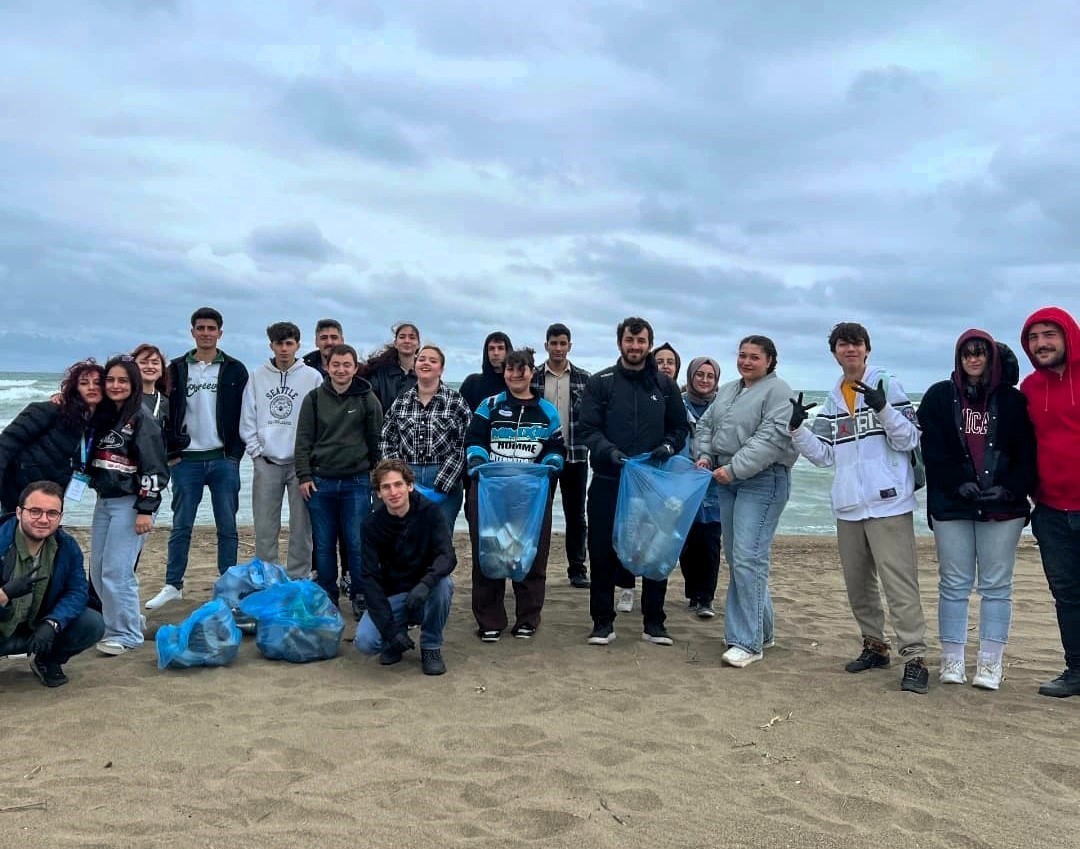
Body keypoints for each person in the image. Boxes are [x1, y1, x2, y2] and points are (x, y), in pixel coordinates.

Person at [788, 322, 930, 693]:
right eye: (842, 344)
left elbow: (910, 438)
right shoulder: (834, 397)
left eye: (856, 343)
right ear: (834, 352)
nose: (849, 350)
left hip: (889, 502)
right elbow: (822, 456)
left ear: (867, 349)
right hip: (849, 506)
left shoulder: (888, 384)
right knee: (858, 586)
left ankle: (915, 657)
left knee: (900, 584)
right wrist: (796, 430)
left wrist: (883, 408)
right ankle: (875, 646)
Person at [917, 331, 1035, 690]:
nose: (973, 359)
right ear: (958, 358)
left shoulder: (1012, 400)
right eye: (967, 353)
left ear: (991, 357)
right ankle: (952, 659)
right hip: (953, 506)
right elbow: (931, 449)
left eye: (980, 353)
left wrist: (1011, 488)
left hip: (1003, 507)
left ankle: (990, 664)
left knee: (996, 585)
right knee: (954, 583)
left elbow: (1027, 454)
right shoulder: (939, 396)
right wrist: (957, 482)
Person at [577, 317, 689, 647]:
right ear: (620, 343)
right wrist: (608, 452)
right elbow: (587, 429)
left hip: (653, 483)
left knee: (655, 550)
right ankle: (602, 622)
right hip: (609, 479)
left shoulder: (665, 386)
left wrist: (668, 447)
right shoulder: (601, 382)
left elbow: (680, 428)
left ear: (649, 344)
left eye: (641, 341)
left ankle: (654, 623)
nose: (635, 346)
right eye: (630, 340)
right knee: (600, 552)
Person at [694, 337, 797, 667]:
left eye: (755, 357)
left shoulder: (779, 391)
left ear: (770, 361)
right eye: (742, 355)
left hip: (763, 480)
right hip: (726, 479)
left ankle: (747, 642)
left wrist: (735, 469)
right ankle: (762, 630)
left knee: (748, 557)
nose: (747, 361)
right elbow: (706, 425)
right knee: (739, 557)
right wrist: (705, 456)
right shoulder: (728, 390)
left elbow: (770, 439)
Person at [146, 307, 249, 610]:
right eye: (200, 328)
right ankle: (172, 585)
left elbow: (248, 411)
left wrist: (236, 453)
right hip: (186, 461)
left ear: (220, 332)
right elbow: (159, 409)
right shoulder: (175, 369)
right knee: (181, 525)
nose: (206, 333)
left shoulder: (235, 369)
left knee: (227, 526)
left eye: (211, 328)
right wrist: (170, 453)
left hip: (223, 459)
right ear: (192, 331)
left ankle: (227, 583)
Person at [465, 348, 565, 641]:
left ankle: (528, 619)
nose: (515, 375)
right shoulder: (489, 405)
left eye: (521, 369)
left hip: (530, 497)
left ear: (532, 372)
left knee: (532, 555)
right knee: (489, 552)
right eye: (510, 369)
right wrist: (477, 462)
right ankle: (490, 620)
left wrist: (551, 465)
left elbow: (556, 447)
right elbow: (474, 438)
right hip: (490, 493)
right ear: (504, 372)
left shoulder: (547, 410)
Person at [88, 357, 169, 655]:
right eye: (110, 380)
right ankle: (123, 623)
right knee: (97, 570)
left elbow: (156, 466)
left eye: (123, 380)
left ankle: (127, 634)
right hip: (104, 501)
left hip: (131, 503)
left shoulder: (142, 418)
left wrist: (146, 508)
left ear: (134, 383)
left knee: (117, 570)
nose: (115, 386)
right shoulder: (105, 416)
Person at [1020, 306, 1080, 698]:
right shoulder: (1028, 388)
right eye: (1034, 337)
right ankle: (1076, 670)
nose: (1041, 343)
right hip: (1052, 511)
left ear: (1068, 336)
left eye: (1049, 334)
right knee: (1067, 595)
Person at [295, 344, 383, 607]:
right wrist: (304, 476)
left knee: (356, 542)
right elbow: (303, 441)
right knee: (323, 544)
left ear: (355, 368)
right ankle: (327, 596)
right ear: (326, 367)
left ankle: (359, 594)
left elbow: (377, 442)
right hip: (320, 482)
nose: (341, 370)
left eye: (347, 365)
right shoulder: (313, 399)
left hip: (356, 482)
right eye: (336, 365)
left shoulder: (368, 399)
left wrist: (375, 478)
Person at [354, 459, 456, 676]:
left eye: (398, 484)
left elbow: (447, 556)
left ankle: (431, 647)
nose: (393, 492)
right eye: (386, 487)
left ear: (410, 485)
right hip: (393, 594)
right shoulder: (371, 526)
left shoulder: (431, 513)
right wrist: (390, 632)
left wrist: (426, 584)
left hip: (424, 589)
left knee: (444, 584)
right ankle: (396, 638)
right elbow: (369, 578)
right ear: (379, 493)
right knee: (365, 642)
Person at [239, 322, 323, 578]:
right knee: (265, 526)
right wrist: (255, 452)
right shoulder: (257, 376)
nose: (284, 349)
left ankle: (299, 577)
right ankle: (268, 577)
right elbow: (248, 417)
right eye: (279, 343)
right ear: (271, 345)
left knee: (301, 527)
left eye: (289, 343)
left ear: (298, 345)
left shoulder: (313, 377)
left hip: (301, 464)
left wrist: (310, 459)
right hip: (267, 461)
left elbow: (320, 419)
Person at [0, 481, 105, 687]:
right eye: (35, 511)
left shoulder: (66, 546)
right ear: (19, 512)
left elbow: (77, 592)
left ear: (60, 517)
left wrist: (53, 622)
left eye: (51, 513)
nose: (43, 519)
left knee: (92, 623)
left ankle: (47, 661)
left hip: (35, 628)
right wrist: (4, 594)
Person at [615, 341, 683, 613]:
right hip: (630, 478)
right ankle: (627, 587)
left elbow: (680, 431)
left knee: (660, 536)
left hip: (664, 480)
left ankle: (654, 610)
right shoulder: (627, 386)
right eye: (661, 360)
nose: (666, 365)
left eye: (671, 361)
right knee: (631, 532)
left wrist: (668, 446)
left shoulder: (671, 392)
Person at [379, 344, 472, 533]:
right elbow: (386, 440)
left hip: (445, 478)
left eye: (433, 360)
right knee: (406, 540)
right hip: (407, 477)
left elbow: (464, 444)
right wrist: (400, 479)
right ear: (415, 365)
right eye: (422, 359)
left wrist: (442, 486)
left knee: (440, 540)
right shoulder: (402, 402)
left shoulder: (456, 402)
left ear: (441, 369)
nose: (426, 363)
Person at [530, 323, 592, 588]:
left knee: (576, 515)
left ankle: (577, 569)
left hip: (575, 455)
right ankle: (535, 565)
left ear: (569, 346)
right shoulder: (533, 378)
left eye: (562, 343)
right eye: (553, 343)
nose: (558, 348)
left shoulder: (583, 378)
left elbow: (591, 418)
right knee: (539, 513)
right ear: (546, 345)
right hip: (540, 458)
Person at [0, 359, 105, 514]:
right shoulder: (49, 410)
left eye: (97, 383)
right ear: (75, 388)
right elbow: (6, 445)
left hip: (52, 498)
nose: (91, 387)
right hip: (18, 494)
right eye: (84, 383)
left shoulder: (96, 425)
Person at [679, 356, 723, 618]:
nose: (704, 380)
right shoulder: (678, 405)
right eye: (700, 375)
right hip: (684, 481)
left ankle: (706, 597)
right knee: (687, 541)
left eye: (710, 376)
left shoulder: (723, 407)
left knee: (709, 541)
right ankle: (692, 592)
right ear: (691, 377)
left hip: (715, 483)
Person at [365, 322, 421, 412]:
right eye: (402, 337)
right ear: (395, 343)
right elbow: (371, 408)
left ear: (418, 344)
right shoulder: (380, 372)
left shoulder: (424, 375)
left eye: (412, 337)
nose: (407, 341)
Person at [459, 331, 514, 413]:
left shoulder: (517, 383)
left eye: (500, 348)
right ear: (486, 352)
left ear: (507, 351)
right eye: (491, 348)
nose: (496, 353)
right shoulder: (472, 383)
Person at [131, 343, 171, 432]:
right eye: (143, 362)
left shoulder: (166, 402)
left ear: (162, 370)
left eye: (155, 363)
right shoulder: (125, 396)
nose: (149, 366)